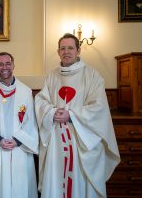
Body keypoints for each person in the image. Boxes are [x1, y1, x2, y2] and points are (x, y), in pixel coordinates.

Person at [34, 33, 120, 198]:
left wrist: (71, 115)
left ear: (78, 50)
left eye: (70, 48)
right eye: (62, 48)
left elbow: (99, 107)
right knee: (56, 178)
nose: (66, 52)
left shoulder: (92, 75)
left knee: (80, 183)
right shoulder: (52, 76)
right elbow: (40, 100)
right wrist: (52, 112)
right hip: (57, 140)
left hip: (81, 139)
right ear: (58, 52)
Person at [0, 52, 39, 198]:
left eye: (8, 63)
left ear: (13, 65)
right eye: (0, 64)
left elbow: (31, 122)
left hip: (20, 149)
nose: (4, 67)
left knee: (21, 187)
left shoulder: (25, 92)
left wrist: (17, 141)